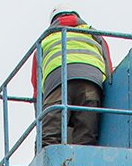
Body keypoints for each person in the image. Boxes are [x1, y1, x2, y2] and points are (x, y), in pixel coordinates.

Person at [30, 8, 112, 147]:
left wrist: (40, 118)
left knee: (49, 138)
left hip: (57, 85)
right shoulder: (94, 34)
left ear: (53, 21)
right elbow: (109, 72)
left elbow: (37, 89)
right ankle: (84, 157)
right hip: (90, 85)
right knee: (86, 137)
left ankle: (47, 154)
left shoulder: (44, 40)